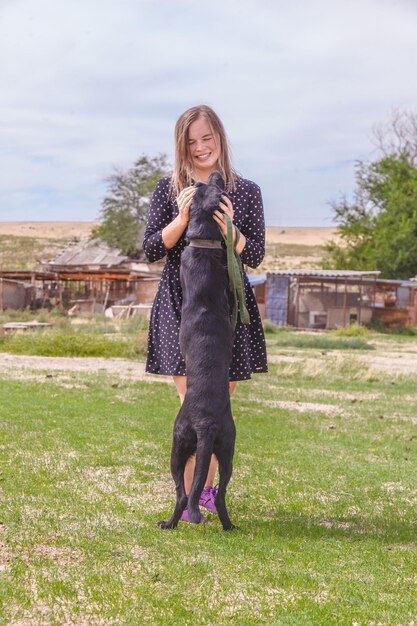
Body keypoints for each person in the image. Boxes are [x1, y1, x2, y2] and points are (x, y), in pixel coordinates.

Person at [143, 104, 267, 521]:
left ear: (220, 138)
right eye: (191, 141)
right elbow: (151, 249)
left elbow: (258, 256)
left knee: (217, 406)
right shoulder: (168, 188)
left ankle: (202, 497)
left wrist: (232, 230)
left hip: (227, 311)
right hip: (181, 308)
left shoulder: (246, 191)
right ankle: (192, 500)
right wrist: (181, 218)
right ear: (182, 146)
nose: (200, 148)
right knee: (194, 404)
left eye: (207, 138)